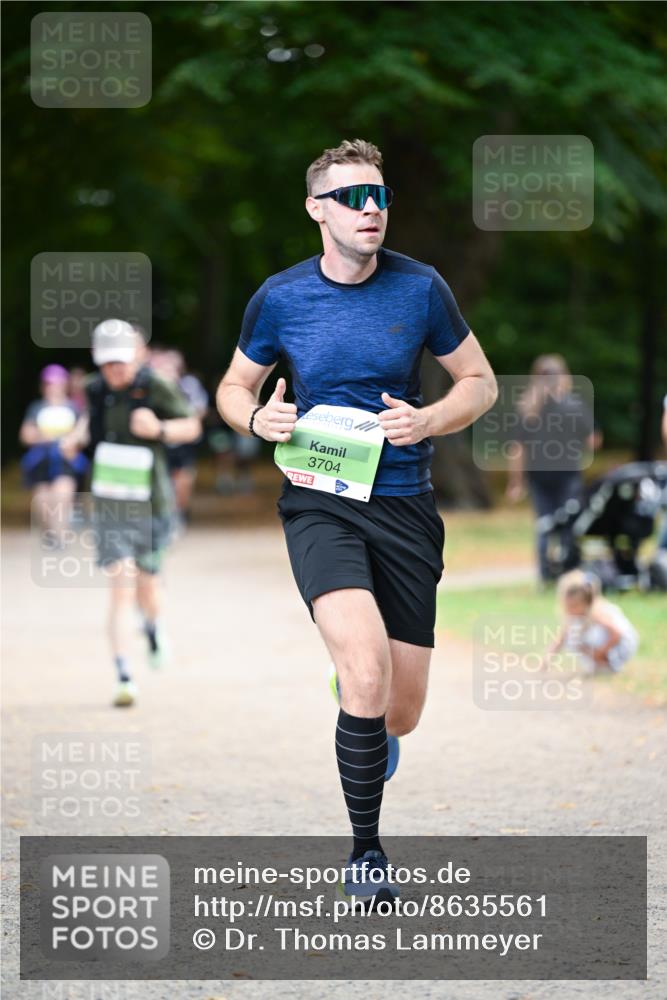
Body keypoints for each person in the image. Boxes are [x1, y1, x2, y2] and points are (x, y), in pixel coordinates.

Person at [216, 138, 497, 908]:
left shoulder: (421, 288)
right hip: (318, 501)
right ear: (316, 209)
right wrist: (257, 421)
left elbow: (480, 381)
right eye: (351, 198)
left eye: (378, 196)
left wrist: (432, 417)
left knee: (398, 710)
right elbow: (233, 388)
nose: (369, 209)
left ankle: (359, 698)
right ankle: (366, 852)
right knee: (369, 675)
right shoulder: (279, 298)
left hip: (404, 503)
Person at [59, 319, 202, 708]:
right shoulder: (93, 388)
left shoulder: (154, 385)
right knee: (120, 585)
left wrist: (159, 428)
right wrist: (76, 436)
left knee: (147, 586)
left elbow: (191, 427)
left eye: (121, 362)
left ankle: (154, 626)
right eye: (108, 364)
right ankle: (124, 674)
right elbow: (92, 421)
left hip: (152, 502)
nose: (115, 371)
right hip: (109, 503)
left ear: (136, 356)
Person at [506, 354, 597, 585]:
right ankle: (568, 572)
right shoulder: (574, 405)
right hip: (568, 475)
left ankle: (545, 576)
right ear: (564, 377)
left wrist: (516, 482)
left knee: (544, 523)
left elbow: (517, 449)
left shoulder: (528, 409)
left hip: (538, 476)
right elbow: (593, 440)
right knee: (568, 522)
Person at [19, 364, 88, 546]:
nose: (54, 387)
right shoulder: (37, 408)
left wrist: (72, 441)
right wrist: (44, 437)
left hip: (66, 460)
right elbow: (25, 434)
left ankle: (60, 535)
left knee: (62, 495)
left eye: (57, 383)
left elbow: (84, 435)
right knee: (42, 501)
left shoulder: (73, 407)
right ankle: (50, 533)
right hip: (42, 461)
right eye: (50, 384)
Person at [149, 347, 209, 528]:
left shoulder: (189, 385)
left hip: (184, 441)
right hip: (161, 441)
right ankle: (165, 516)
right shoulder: (152, 388)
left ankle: (178, 514)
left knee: (183, 478)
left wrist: (185, 429)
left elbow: (200, 411)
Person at [544, 569, 639, 674]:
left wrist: (600, 653)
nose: (570, 610)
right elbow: (562, 637)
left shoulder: (596, 613)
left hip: (622, 643)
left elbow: (617, 634)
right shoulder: (576, 615)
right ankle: (601, 663)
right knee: (573, 637)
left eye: (574, 606)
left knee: (582, 637)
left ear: (586, 602)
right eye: (567, 606)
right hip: (611, 640)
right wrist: (548, 658)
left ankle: (607, 664)